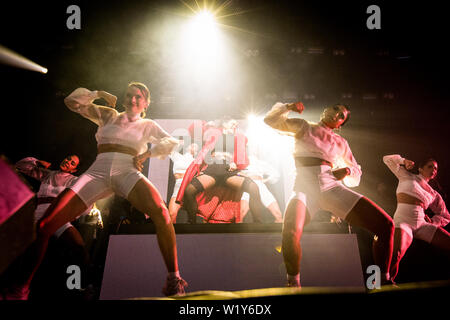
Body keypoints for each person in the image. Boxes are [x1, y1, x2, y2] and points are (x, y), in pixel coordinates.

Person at [5, 82, 186, 299]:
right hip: (97, 171)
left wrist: (145, 155)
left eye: (138, 97)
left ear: (146, 102)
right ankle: (20, 289)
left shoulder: (147, 125)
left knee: (161, 212)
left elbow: (172, 142)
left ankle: (174, 279)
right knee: (45, 225)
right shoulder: (108, 115)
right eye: (129, 95)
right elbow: (72, 102)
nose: (132, 100)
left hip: (127, 169)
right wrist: (98, 94)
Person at [264, 102, 395, 287]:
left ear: (340, 124)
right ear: (326, 109)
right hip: (303, 188)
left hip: (331, 188)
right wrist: (288, 106)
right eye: (335, 109)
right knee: (290, 233)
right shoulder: (304, 126)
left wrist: (347, 172)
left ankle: (382, 281)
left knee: (386, 225)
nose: (336, 114)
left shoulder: (341, 142)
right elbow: (270, 120)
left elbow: (355, 172)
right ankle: (293, 285)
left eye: (341, 115)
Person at [176, 118, 265, 223]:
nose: (235, 125)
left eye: (236, 124)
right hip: (213, 170)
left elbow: (242, 159)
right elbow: (205, 151)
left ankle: (258, 223)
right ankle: (192, 222)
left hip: (228, 172)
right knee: (189, 191)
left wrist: (235, 164)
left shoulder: (238, 138)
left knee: (254, 188)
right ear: (224, 123)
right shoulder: (215, 134)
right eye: (232, 122)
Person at [383, 155, 450, 282]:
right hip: (403, 221)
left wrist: (434, 221)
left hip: (422, 224)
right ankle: (379, 282)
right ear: (420, 168)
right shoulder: (406, 176)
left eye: (436, 169)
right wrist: (403, 161)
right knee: (395, 254)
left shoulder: (433, 193)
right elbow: (386, 159)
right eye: (430, 166)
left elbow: (446, 216)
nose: (434, 170)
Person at [239, 155, 283, 223]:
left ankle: (280, 232)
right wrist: (244, 176)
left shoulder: (260, 163)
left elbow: (275, 174)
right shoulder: (240, 163)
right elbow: (234, 173)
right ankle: (239, 232)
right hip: (248, 185)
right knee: (241, 214)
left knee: (278, 214)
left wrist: (266, 180)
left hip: (260, 185)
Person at [168, 143, 199, 223]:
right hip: (178, 187)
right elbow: (168, 149)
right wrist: (178, 143)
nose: (194, 146)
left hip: (189, 187)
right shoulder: (177, 156)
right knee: (171, 214)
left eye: (196, 146)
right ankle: (172, 234)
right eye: (192, 145)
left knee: (191, 218)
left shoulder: (195, 161)